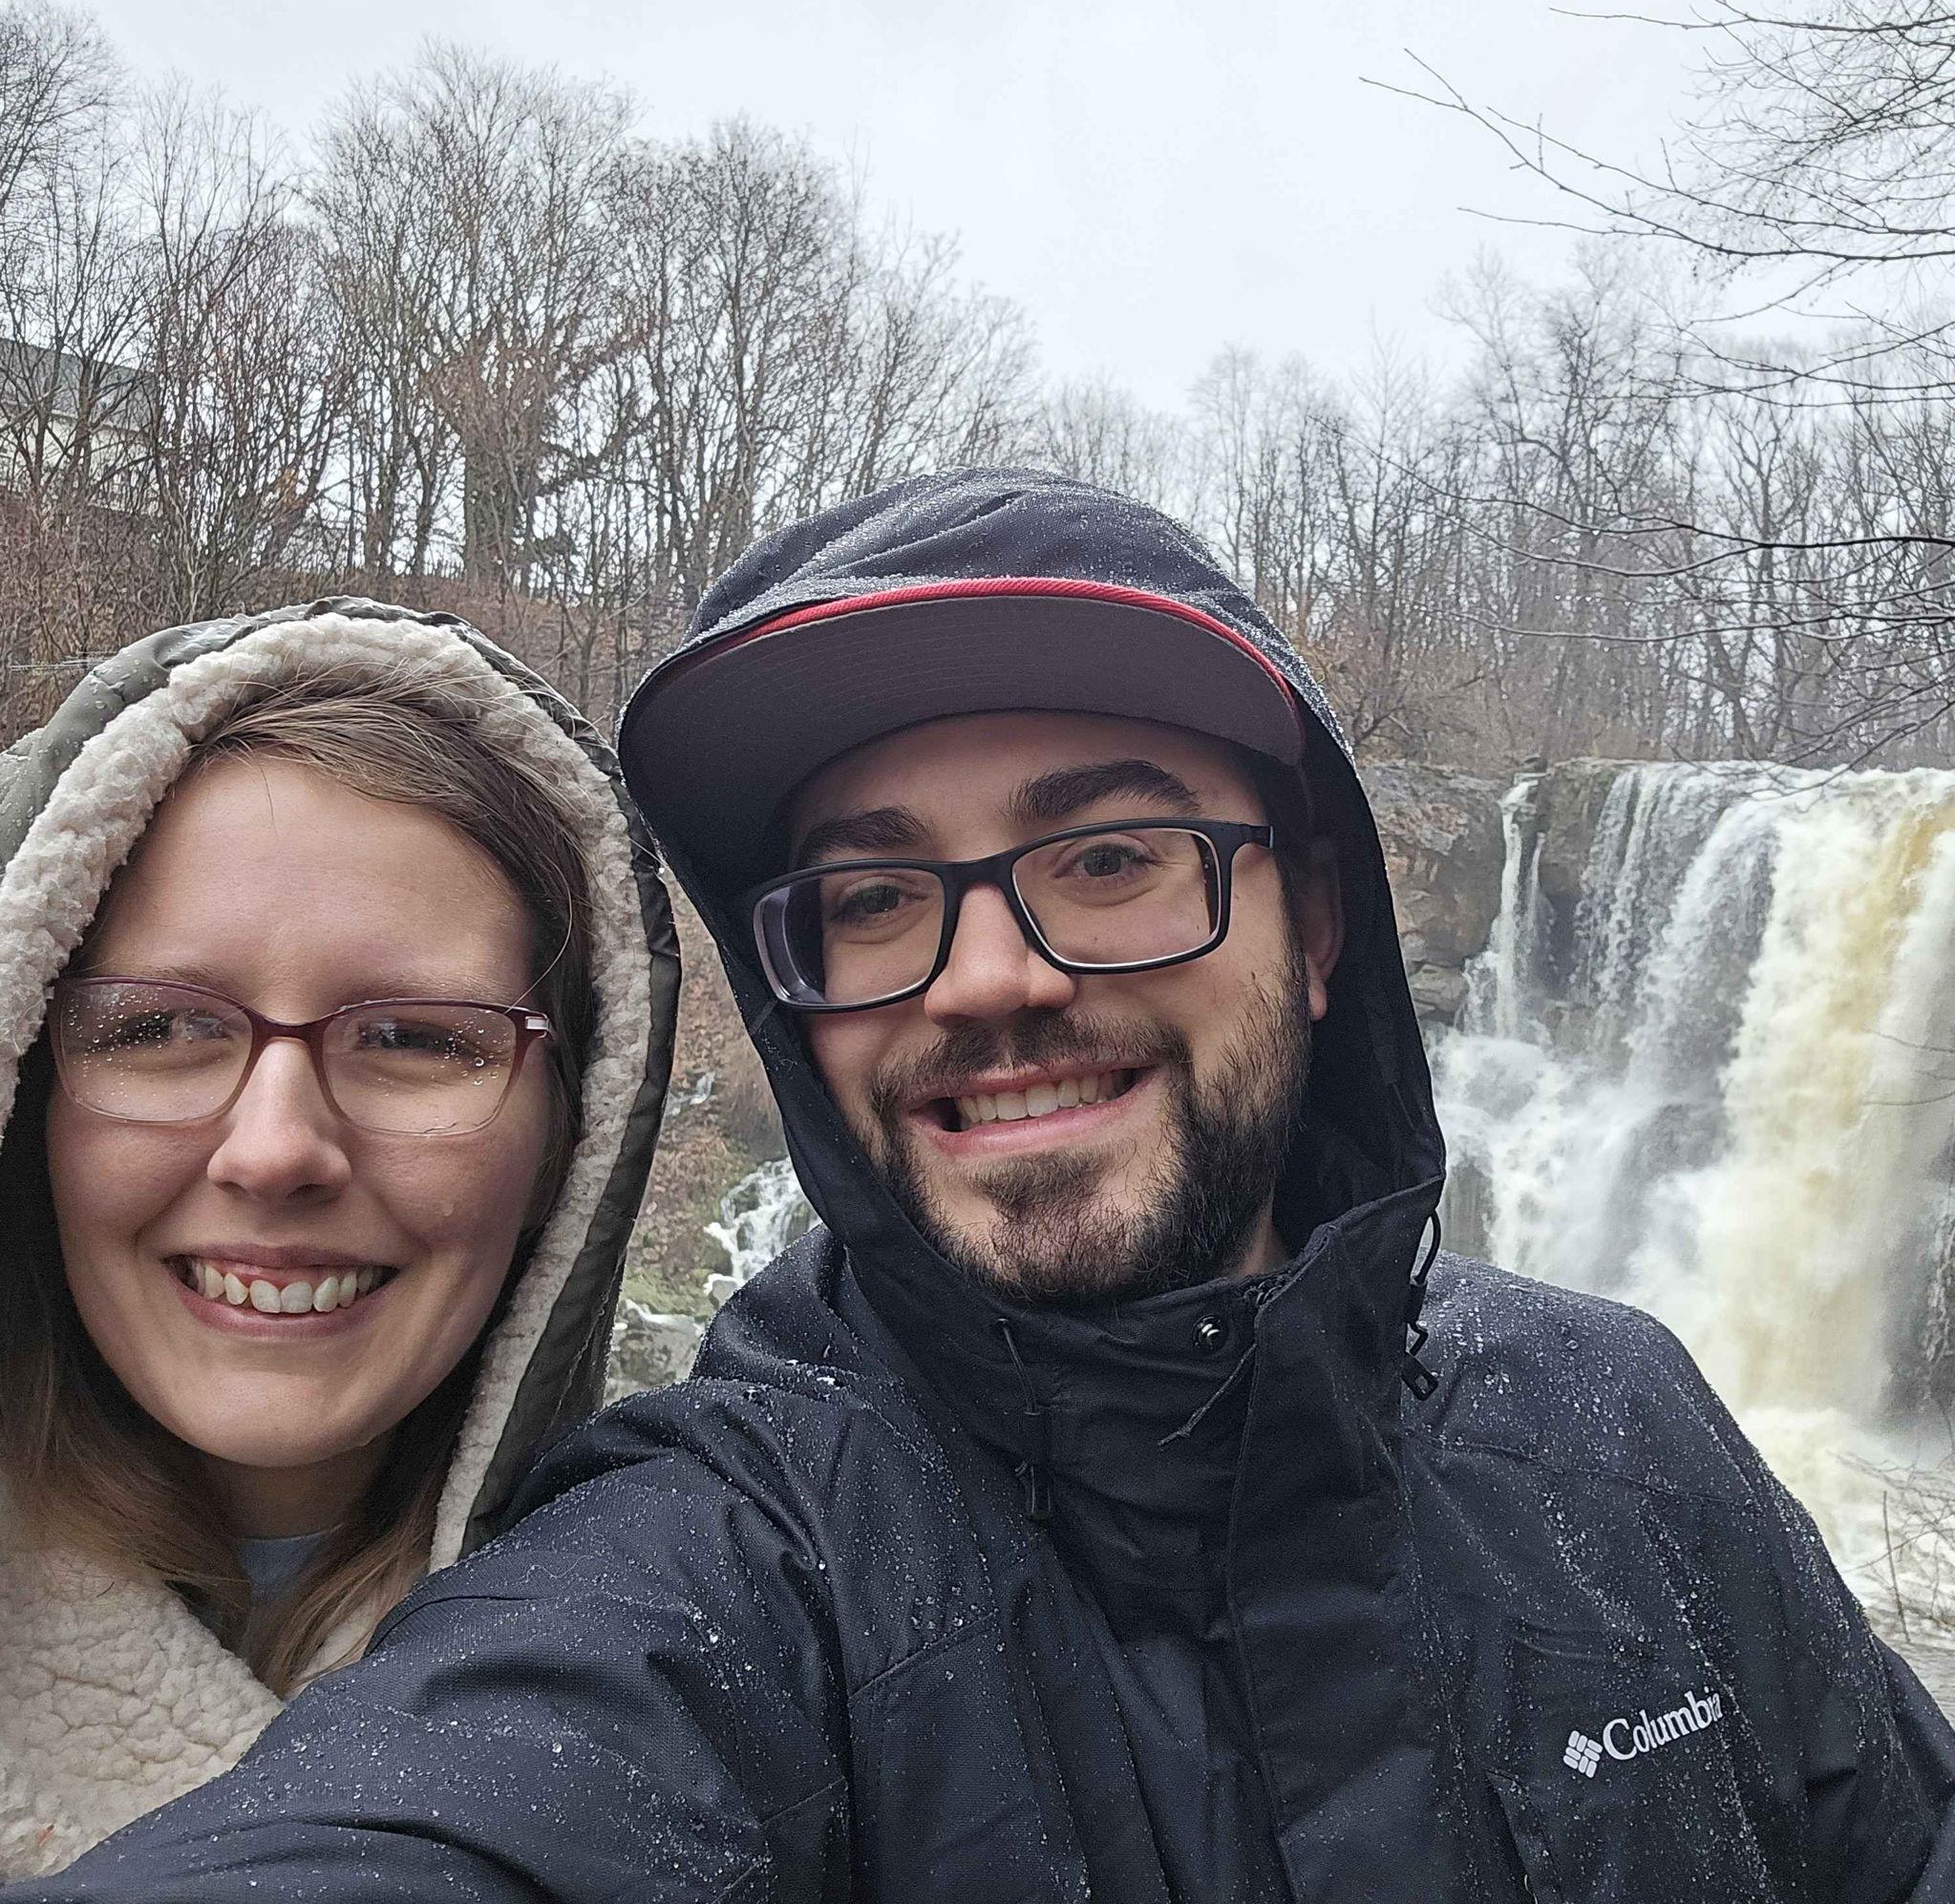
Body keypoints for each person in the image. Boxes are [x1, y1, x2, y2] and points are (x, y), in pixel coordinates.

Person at [15, 472, 1955, 1902]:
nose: (988, 973)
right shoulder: (712, 1561)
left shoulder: (1616, 1424)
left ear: (1324, 923)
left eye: (1109, 855)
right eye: (868, 898)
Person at [0, 598, 677, 1880]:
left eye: (419, 1039)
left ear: (564, 1151)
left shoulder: (717, 1683)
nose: (273, 1150)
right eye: (156, 1028)